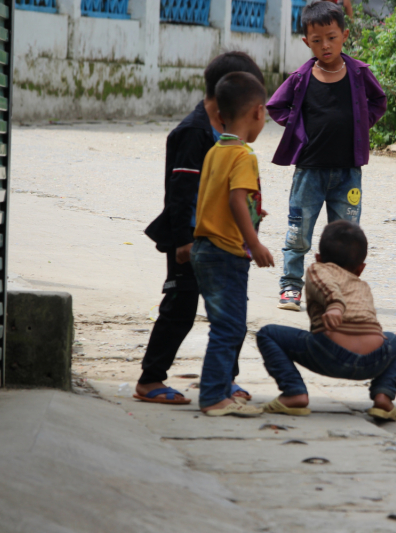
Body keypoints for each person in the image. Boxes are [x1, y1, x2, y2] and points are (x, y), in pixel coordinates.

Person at [135, 52, 265, 405]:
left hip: (220, 243)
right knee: (179, 308)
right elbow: (179, 196)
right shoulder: (194, 133)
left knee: (230, 313)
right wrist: (181, 243)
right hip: (190, 242)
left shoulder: (227, 134)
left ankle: (224, 380)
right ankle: (150, 380)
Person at [267, 0, 386, 311]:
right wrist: (297, 129)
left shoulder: (359, 73)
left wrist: (362, 121)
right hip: (310, 171)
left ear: (344, 35)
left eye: (331, 37)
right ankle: (291, 286)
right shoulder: (301, 77)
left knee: (345, 235)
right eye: (317, 40)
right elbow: (276, 106)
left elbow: (378, 101)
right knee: (299, 232)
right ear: (307, 42)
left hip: (348, 172)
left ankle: (341, 289)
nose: (325, 45)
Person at [256, 221, 396, 421]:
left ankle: (294, 392)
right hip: (375, 358)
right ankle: (383, 397)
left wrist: (335, 306)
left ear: (318, 258)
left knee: (268, 333)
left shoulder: (319, 269)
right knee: (395, 342)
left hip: (331, 354)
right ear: (361, 268)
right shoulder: (363, 285)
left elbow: (328, 287)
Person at [191, 72, 274, 417]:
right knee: (229, 327)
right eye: (266, 113)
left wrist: (256, 211)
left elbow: (221, 198)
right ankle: (213, 396)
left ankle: (223, 389)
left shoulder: (215, 152)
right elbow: (236, 201)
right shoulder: (244, 156)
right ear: (257, 112)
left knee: (226, 324)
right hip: (227, 253)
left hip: (204, 249)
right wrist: (254, 244)